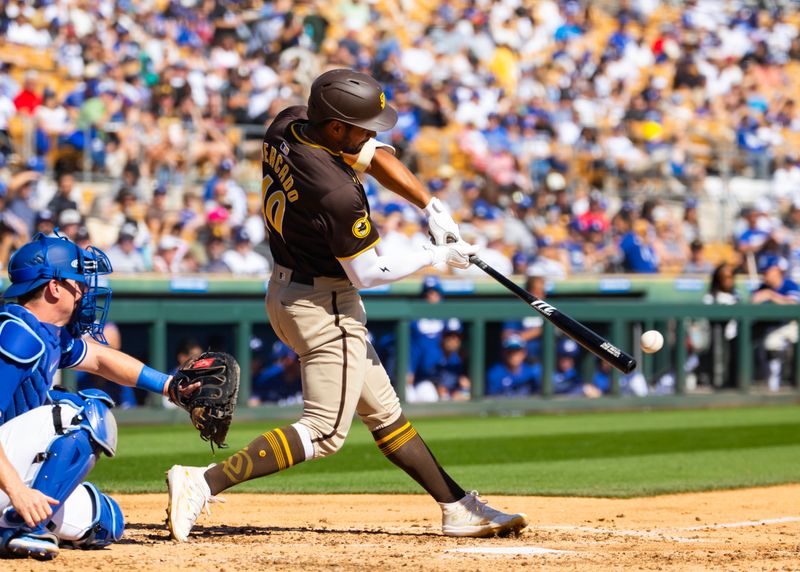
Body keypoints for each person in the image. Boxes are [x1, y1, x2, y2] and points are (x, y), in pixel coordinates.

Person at [166, 68, 527, 541]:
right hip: (324, 305)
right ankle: (202, 482)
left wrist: (430, 205)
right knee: (323, 432)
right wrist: (435, 256)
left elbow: (373, 155)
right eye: (361, 126)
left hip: (292, 290)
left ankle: (456, 506)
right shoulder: (333, 192)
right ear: (335, 126)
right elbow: (368, 273)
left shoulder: (289, 123)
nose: (371, 134)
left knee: (385, 413)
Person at [0, 233, 194, 560]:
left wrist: (170, 387)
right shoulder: (17, 334)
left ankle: (12, 528)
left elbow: (102, 359)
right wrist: (19, 492)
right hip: (7, 479)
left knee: (104, 521)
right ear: (54, 287)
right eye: (78, 282)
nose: (85, 291)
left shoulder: (49, 335)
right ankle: (25, 527)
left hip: (8, 469)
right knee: (85, 413)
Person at [751, 259, 800, 391]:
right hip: (768, 327)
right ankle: (768, 381)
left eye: (767, 271)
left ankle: (779, 381)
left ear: (776, 270)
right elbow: (751, 304)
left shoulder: (790, 285)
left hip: (790, 325)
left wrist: (772, 296)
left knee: (774, 340)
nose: (765, 274)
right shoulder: (762, 288)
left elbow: (793, 306)